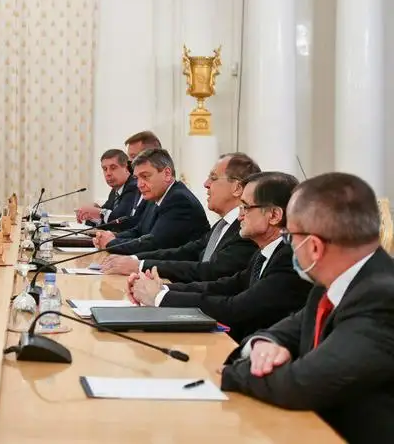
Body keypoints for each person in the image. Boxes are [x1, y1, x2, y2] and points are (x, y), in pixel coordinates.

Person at [220, 173, 394, 443]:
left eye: (290, 237)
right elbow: (289, 329)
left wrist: (234, 373)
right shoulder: (333, 280)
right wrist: (263, 344)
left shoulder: (383, 298)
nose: (289, 246)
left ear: (313, 247)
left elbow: (301, 384)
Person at [128, 172, 311, 342]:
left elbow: (236, 308)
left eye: (246, 207)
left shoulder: (289, 259)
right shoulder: (266, 251)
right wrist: (163, 288)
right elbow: (225, 286)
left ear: (274, 215)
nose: (239, 216)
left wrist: (160, 297)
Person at [102, 153, 259, 282]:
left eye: (213, 177)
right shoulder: (222, 224)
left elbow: (209, 271)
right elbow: (187, 251)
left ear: (237, 188)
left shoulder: (246, 230)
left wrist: (140, 266)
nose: (206, 184)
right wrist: (135, 260)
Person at [92, 148, 210, 255]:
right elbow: (139, 231)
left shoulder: (179, 200)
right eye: (137, 178)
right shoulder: (155, 195)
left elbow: (153, 244)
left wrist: (111, 243)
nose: (139, 184)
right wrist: (112, 237)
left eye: (145, 176)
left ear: (167, 174)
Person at [74, 150, 138, 230]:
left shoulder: (134, 187)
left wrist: (99, 212)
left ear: (126, 168)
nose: (108, 173)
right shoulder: (115, 191)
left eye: (113, 168)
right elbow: (107, 221)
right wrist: (91, 215)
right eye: (105, 169)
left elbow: (119, 220)